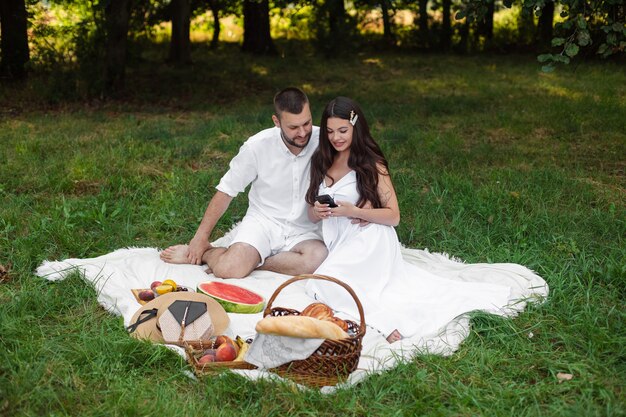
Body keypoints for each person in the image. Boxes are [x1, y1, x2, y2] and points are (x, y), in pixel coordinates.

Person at [305, 97, 513, 343]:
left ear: (355, 128)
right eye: (330, 131)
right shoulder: (321, 160)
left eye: (343, 130)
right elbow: (310, 211)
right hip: (341, 244)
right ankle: (377, 313)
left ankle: (382, 321)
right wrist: (317, 212)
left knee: (324, 284)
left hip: (370, 239)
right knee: (322, 285)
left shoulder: (371, 163)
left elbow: (394, 216)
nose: (336, 137)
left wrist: (355, 211)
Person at [160, 87, 328, 278]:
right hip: (264, 222)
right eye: (293, 127)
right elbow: (226, 191)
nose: (303, 132)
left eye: (306, 123)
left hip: (305, 229)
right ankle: (209, 253)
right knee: (228, 270)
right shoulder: (256, 146)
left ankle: (254, 263)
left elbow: (360, 156)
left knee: (317, 259)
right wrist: (201, 237)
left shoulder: (324, 140)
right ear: (276, 122)